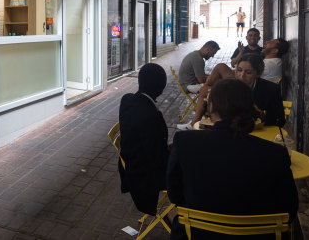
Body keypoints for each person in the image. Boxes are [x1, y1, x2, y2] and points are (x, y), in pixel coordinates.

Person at [167, 79, 298, 240]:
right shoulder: (276, 153)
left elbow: (175, 195)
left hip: (197, 233)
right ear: (251, 109)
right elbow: (289, 210)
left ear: (211, 106)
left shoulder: (184, 142)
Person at [118, 63, 170, 215]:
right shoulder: (150, 116)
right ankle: (174, 216)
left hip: (129, 161)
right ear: (161, 88)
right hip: (143, 175)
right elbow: (156, 158)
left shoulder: (127, 100)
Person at [236, 54, 285, 127]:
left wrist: (262, 116)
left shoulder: (271, 89)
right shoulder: (229, 87)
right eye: (239, 70)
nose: (242, 75)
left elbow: (280, 121)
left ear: (258, 73)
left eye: (248, 72)